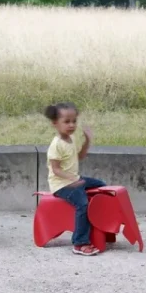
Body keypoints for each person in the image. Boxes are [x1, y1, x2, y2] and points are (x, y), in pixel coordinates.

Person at [45, 102, 106, 256]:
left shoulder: (71, 139)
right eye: (66, 121)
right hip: (61, 185)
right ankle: (80, 243)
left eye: (74, 121)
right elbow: (56, 170)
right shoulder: (56, 145)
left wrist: (87, 141)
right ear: (55, 123)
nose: (71, 125)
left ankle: (102, 229)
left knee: (102, 187)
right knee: (83, 204)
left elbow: (79, 157)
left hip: (74, 180)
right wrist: (72, 178)